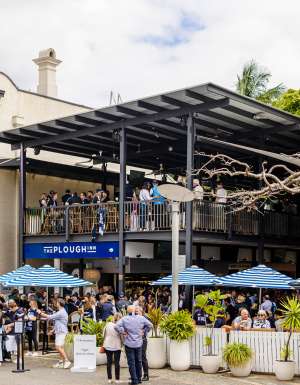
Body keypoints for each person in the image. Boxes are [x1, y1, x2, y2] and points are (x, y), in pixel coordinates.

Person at [115, 305, 152, 385]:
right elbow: (150, 325)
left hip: (129, 344)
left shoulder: (124, 319)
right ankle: (139, 379)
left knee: (131, 362)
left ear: (128, 311)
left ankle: (134, 380)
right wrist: (144, 331)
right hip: (139, 343)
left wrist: (123, 331)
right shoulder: (141, 318)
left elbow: (116, 326)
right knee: (138, 361)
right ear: (134, 310)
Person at [38, 298, 71, 369]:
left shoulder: (61, 312)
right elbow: (58, 322)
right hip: (60, 331)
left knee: (58, 347)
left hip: (61, 332)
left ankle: (67, 360)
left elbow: (50, 317)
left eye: (57, 302)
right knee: (60, 347)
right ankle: (61, 362)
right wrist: (52, 331)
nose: (56, 303)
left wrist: (40, 313)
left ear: (59, 303)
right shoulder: (60, 311)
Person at [103, 313, 123, 384]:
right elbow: (122, 337)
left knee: (109, 362)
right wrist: (123, 344)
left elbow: (104, 334)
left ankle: (109, 379)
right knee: (117, 363)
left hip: (107, 344)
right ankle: (117, 379)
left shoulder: (108, 324)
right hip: (117, 345)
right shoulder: (119, 326)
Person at [135, 306, 149, 381]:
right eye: (135, 311)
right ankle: (137, 375)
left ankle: (146, 375)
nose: (136, 312)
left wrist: (144, 331)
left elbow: (149, 326)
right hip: (135, 340)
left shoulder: (144, 318)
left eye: (137, 311)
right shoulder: (134, 318)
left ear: (141, 311)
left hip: (143, 340)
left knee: (143, 357)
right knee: (136, 358)